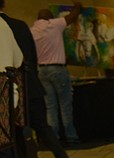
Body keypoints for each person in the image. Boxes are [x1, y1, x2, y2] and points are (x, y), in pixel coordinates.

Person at [0, 0, 79, 158]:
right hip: (31, 87)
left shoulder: (26, 27)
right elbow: (31, 59)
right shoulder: (20, 26)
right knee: (45, 128)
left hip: (8, 93)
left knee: (14, 134)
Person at [0, 15, 40, 158]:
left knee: (3, 156)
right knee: (4, 155)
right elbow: (18, 59)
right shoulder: (3, 24)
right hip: (8, 114)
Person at [30, 2, 82, 146]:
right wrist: (78, 5)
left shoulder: (32, 30)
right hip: (57, 69)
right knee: (65, 104)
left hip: (41, 71)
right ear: (50, 18)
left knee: (50, 106)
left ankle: (54, 139)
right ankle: (71, 137)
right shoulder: (54, 25)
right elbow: (73, 16)